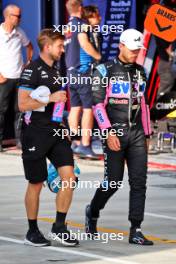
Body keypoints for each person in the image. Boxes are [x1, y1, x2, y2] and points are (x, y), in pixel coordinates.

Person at [85, 29, 154, 246]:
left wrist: (147, 133)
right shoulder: (103, 70)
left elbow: (143, 104)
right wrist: (107, 132)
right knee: (113, 182)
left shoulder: (141, 71)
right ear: (121, 46)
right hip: (114, 132)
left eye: (138, 50)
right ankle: (93, 211)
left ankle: (136, 228)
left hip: (136, 134)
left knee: (139, 182)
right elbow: (97, 105)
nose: (135, 53)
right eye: (133, 49)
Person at [18, 29, 79, 247]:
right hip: (34, 132)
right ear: (47, 47)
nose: (63, 50)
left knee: (69, 179)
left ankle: (59, 226)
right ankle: (32, 231)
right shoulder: (31, 70)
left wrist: (64, 127)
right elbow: (23, 104)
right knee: (35, 183)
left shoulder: (56, 71)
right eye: (60, 46)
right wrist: (50, 98)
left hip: (56, 131)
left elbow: (57, 105)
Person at [65, 0, 101, 158]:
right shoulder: (80, 24)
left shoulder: (68, 26)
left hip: (71, 72)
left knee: (75, 108)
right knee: (88, 109)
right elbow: (84, 43)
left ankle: (75, 143)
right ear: (80, 8)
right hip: (83, 71)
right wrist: (98, 56)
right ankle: (86, 144)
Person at [0, 4, 33, 151]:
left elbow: (29, 46)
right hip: (4, 78)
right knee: (1, 110)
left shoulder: (20, 32)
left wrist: (28, 62)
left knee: (20, 110)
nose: (20, 19)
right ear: (7, 16)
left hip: (19, 78)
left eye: (20, 16)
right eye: (17, 16)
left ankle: (21, 141)